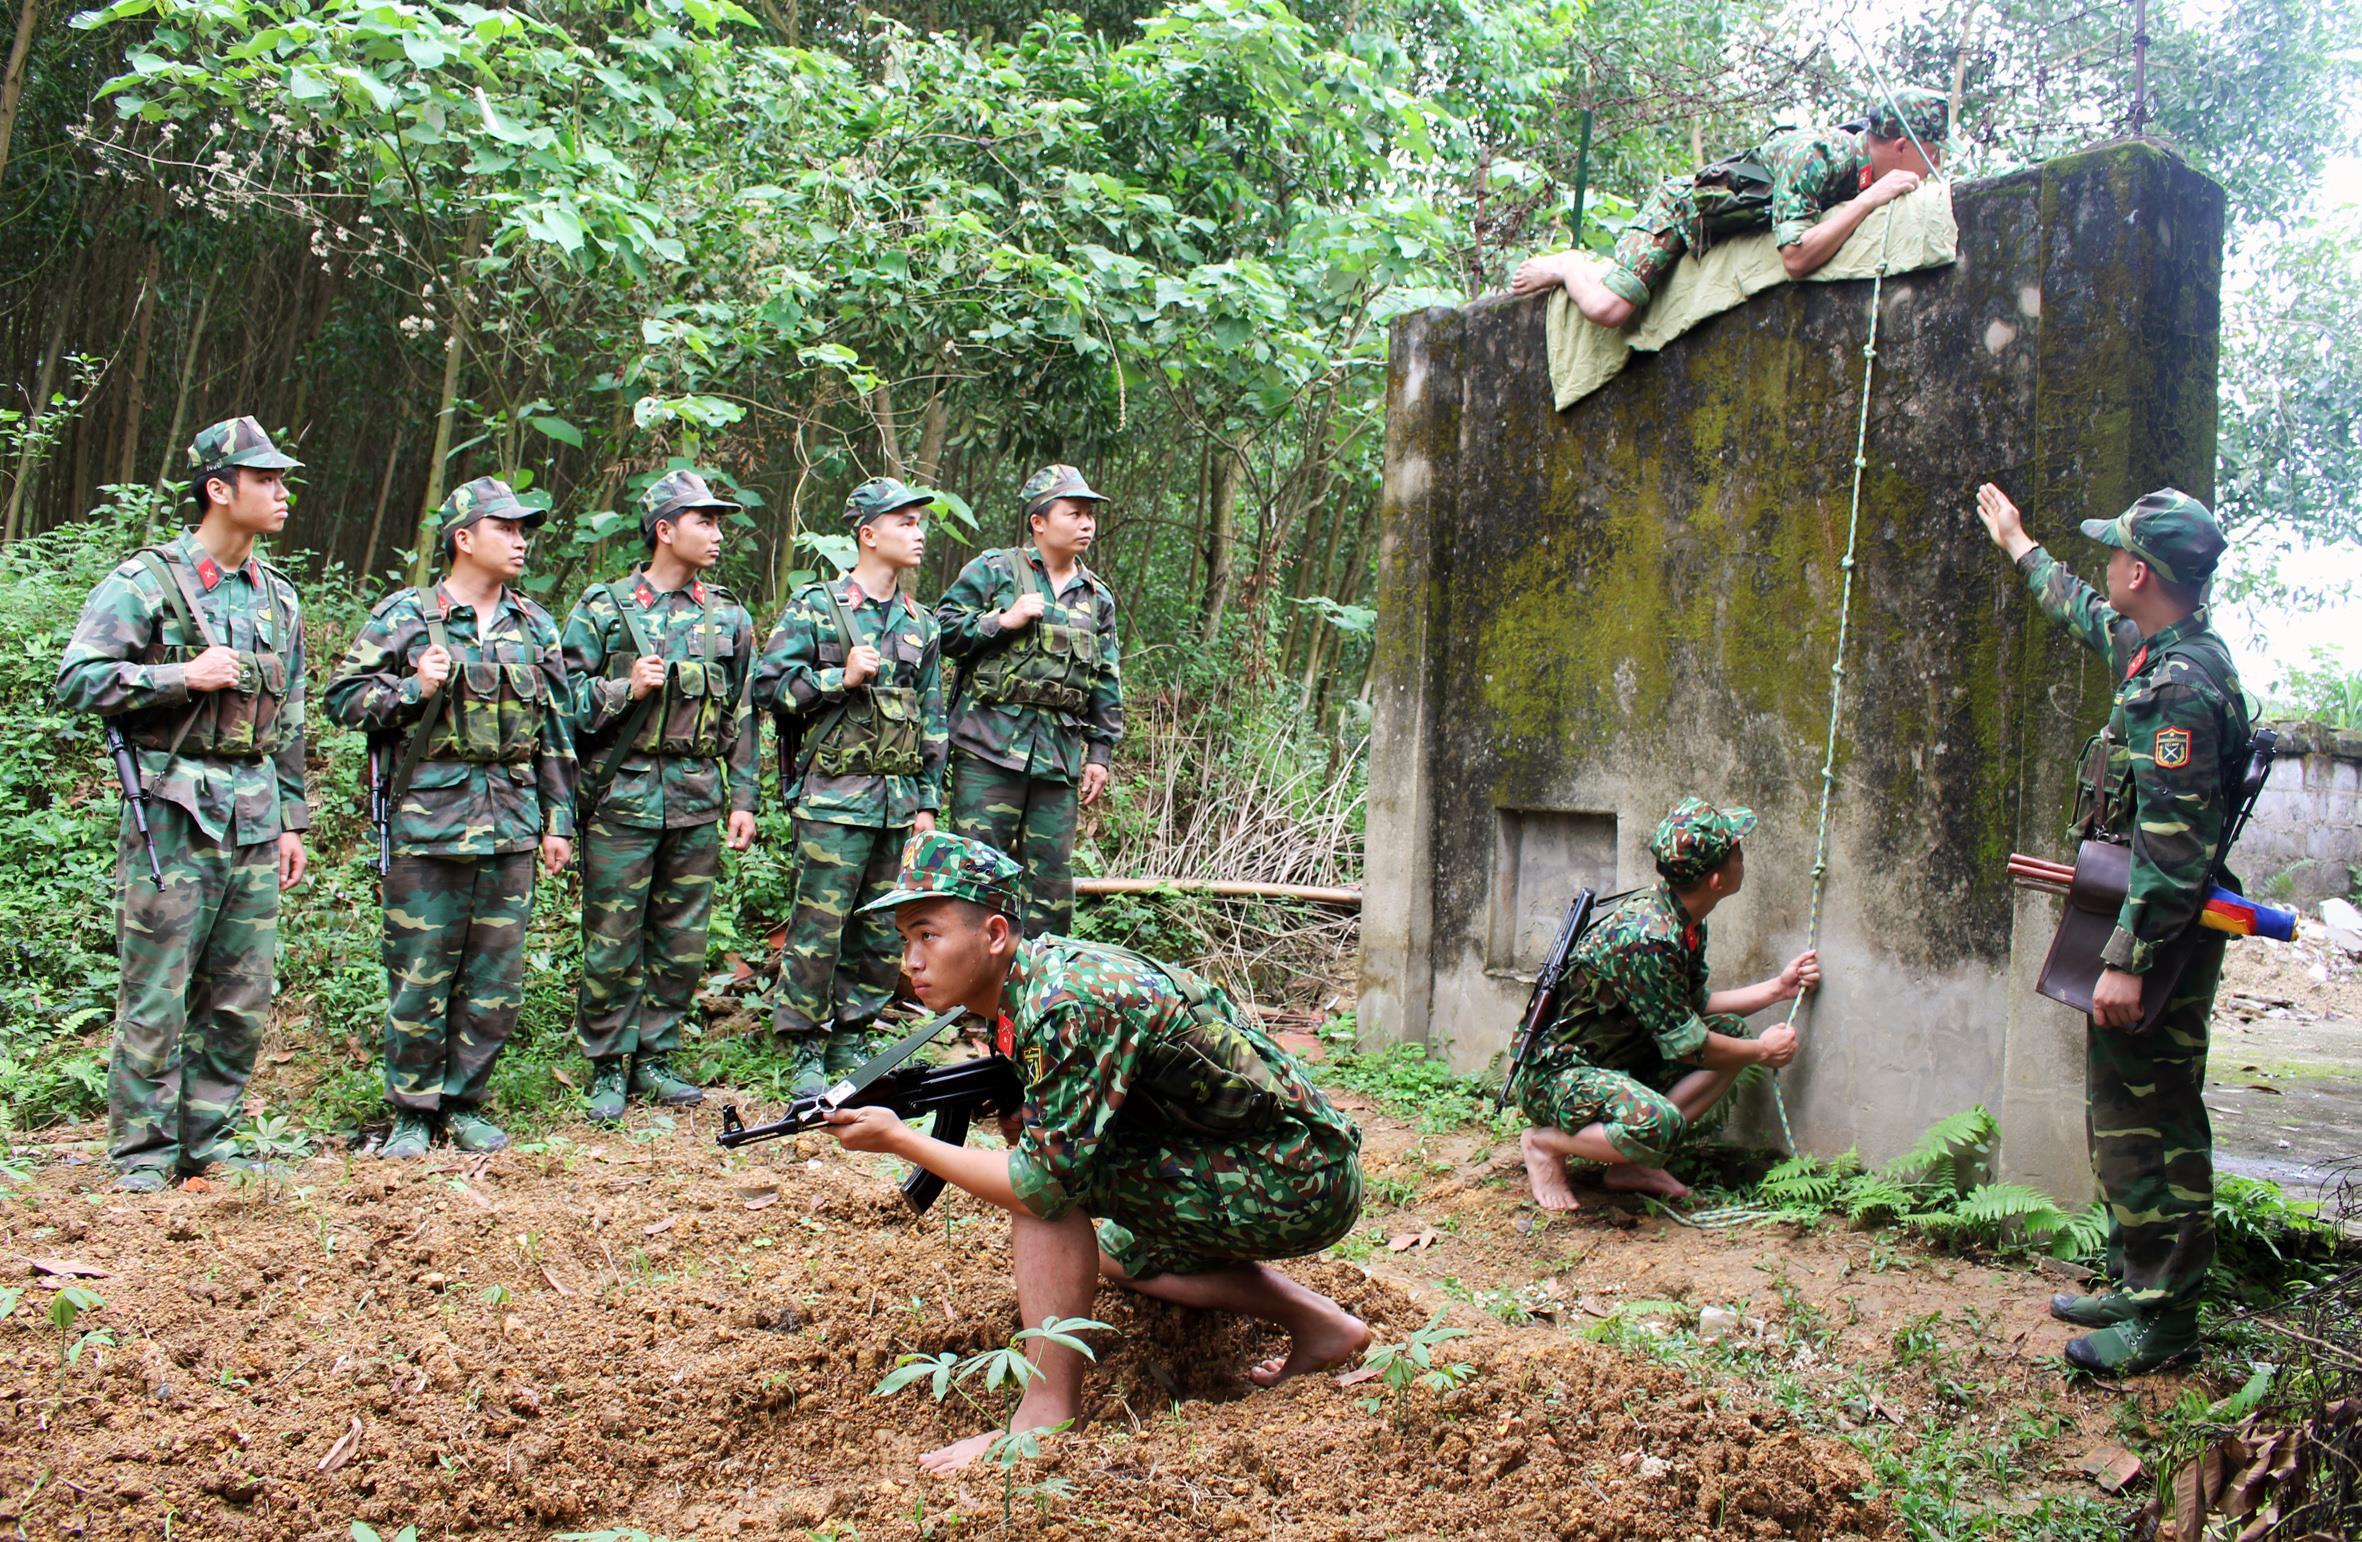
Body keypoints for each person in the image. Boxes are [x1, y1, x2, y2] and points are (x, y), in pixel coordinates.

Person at [819, 832, 1368, 1473]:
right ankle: (1322, 1324)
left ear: (994, 934)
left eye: (928, 935)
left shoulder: (1066, 1002)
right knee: (1108, 1253)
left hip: (1301, 1176)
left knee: (1048, 1192)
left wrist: (901, 1139)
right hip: (1252, 1156)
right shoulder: (1036, 983)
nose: (910, 959)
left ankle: (1045, 1415)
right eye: (904, 940)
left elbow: (1040, 1186)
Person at [1974, 483, 2247, 1375]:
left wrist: (2127, 962)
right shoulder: (2163, 649)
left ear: (2141, 570)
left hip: (2157, 937)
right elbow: (2085, 612)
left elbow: (2174, 851)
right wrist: (2019, 545)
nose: (2104, 566)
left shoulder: (2179, 691)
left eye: (2114, 552)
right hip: (2142, 924)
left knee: (2158, 1118)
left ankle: (2166, 1323)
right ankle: (2139, 1280)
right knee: (2124, 1114)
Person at [55, 417, 310, 1192]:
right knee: (158, 993)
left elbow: (290, 715)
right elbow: (76, 680)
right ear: (218, 489)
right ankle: (141, 1154)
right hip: (174, 811)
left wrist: (294, 818)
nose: (280, 493)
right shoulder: (148, 583)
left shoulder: (278, 597)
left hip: (256, 815)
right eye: (264, 480)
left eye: (280, 479)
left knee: (241, 997)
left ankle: (211, 1141)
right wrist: (179, 677)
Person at [324, 477, 575, 1157]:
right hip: (427, 827)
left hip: (512, 823)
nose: (522, 541)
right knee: (421, 972)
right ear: (464, 538)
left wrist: (559, 820)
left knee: (495, 979)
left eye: (526, 531)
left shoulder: (535, 625)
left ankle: (465, 1103)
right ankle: (412, 1108)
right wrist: (414, 689)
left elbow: (554, 729)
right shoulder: (405, 615)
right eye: (508, 528)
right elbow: (342, 700)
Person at [562, 470, 760, 1123]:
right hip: (623, 796)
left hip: (698, 795)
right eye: (704, 521)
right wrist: (624, 690)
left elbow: (743, 714)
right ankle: (606, 1067)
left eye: (718, 521)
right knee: (613, 936)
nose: (717, 533)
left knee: (681, 939)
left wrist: (745, 799)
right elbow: (560, 707)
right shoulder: (604, 609)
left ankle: (654, 1058)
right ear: (664, 529)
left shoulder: (727, 615)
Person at [1512, 798, 1818, 1211]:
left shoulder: (1682, 919)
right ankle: (1544, 1144)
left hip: (1617, 1059)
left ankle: (1629, 1163)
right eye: (1736, 851)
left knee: (1730, 1036)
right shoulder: (1648, 938)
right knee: (1661, 1118)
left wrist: (1778, 990)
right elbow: (1692, 1047)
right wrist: (1763, 1052)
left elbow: (1691, 1008)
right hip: (1558, 1073)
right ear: (1716, 878)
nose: (1742, 857)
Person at [754, 477, 947, 1095]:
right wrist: (838, 677)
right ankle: (804, 1047)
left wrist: (927, 801)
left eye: (921, 523)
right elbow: (768, 691)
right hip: (834, 798)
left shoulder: (922, 622)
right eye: (906, 523)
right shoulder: (819, 606)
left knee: (876, 929)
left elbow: (932, 717)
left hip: (896, 805)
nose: (918, 534)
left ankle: (852, 1037)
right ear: (869, 534)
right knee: (819, 925)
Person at [1509, 87, 1951, 327]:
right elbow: (1796, 257)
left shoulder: (1865, 171)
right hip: (1679, 212)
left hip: (1722, 229)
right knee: (1612, 310)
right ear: (1898, 147)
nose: (1933, 168)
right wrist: (1871, 200)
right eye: (1931, 156)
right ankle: (1570, 264)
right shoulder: (1819, 154)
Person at [934, 464, 1122, 937]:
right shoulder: (994, 570)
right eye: (1074, 513)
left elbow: (1105, 677)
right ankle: (968, 998)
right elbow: (941, 632)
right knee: (977, 878)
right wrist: (1002, 620)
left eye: (1090, 515)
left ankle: (1037, 999)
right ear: (1039, 521)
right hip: (988, 751)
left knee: (1051, 887)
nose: (1087, 524)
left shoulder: (1097, 598)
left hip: (1058, 762)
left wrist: (1100, 753)